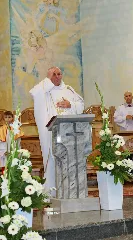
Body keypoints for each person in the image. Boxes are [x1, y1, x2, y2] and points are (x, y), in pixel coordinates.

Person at [29, 66, 84, 196]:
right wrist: (48, 81)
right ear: (48, 76)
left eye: (59, 74)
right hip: (51, 132)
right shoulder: (44, 90)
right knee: (52, 159)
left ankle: (70, 190)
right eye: (54, 74)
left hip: (69, 132)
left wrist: (70, 104)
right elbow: (33, 93)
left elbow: (81, 105)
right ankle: (51, 192)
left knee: (70, 159)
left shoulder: (69, 90)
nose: (57, 76)